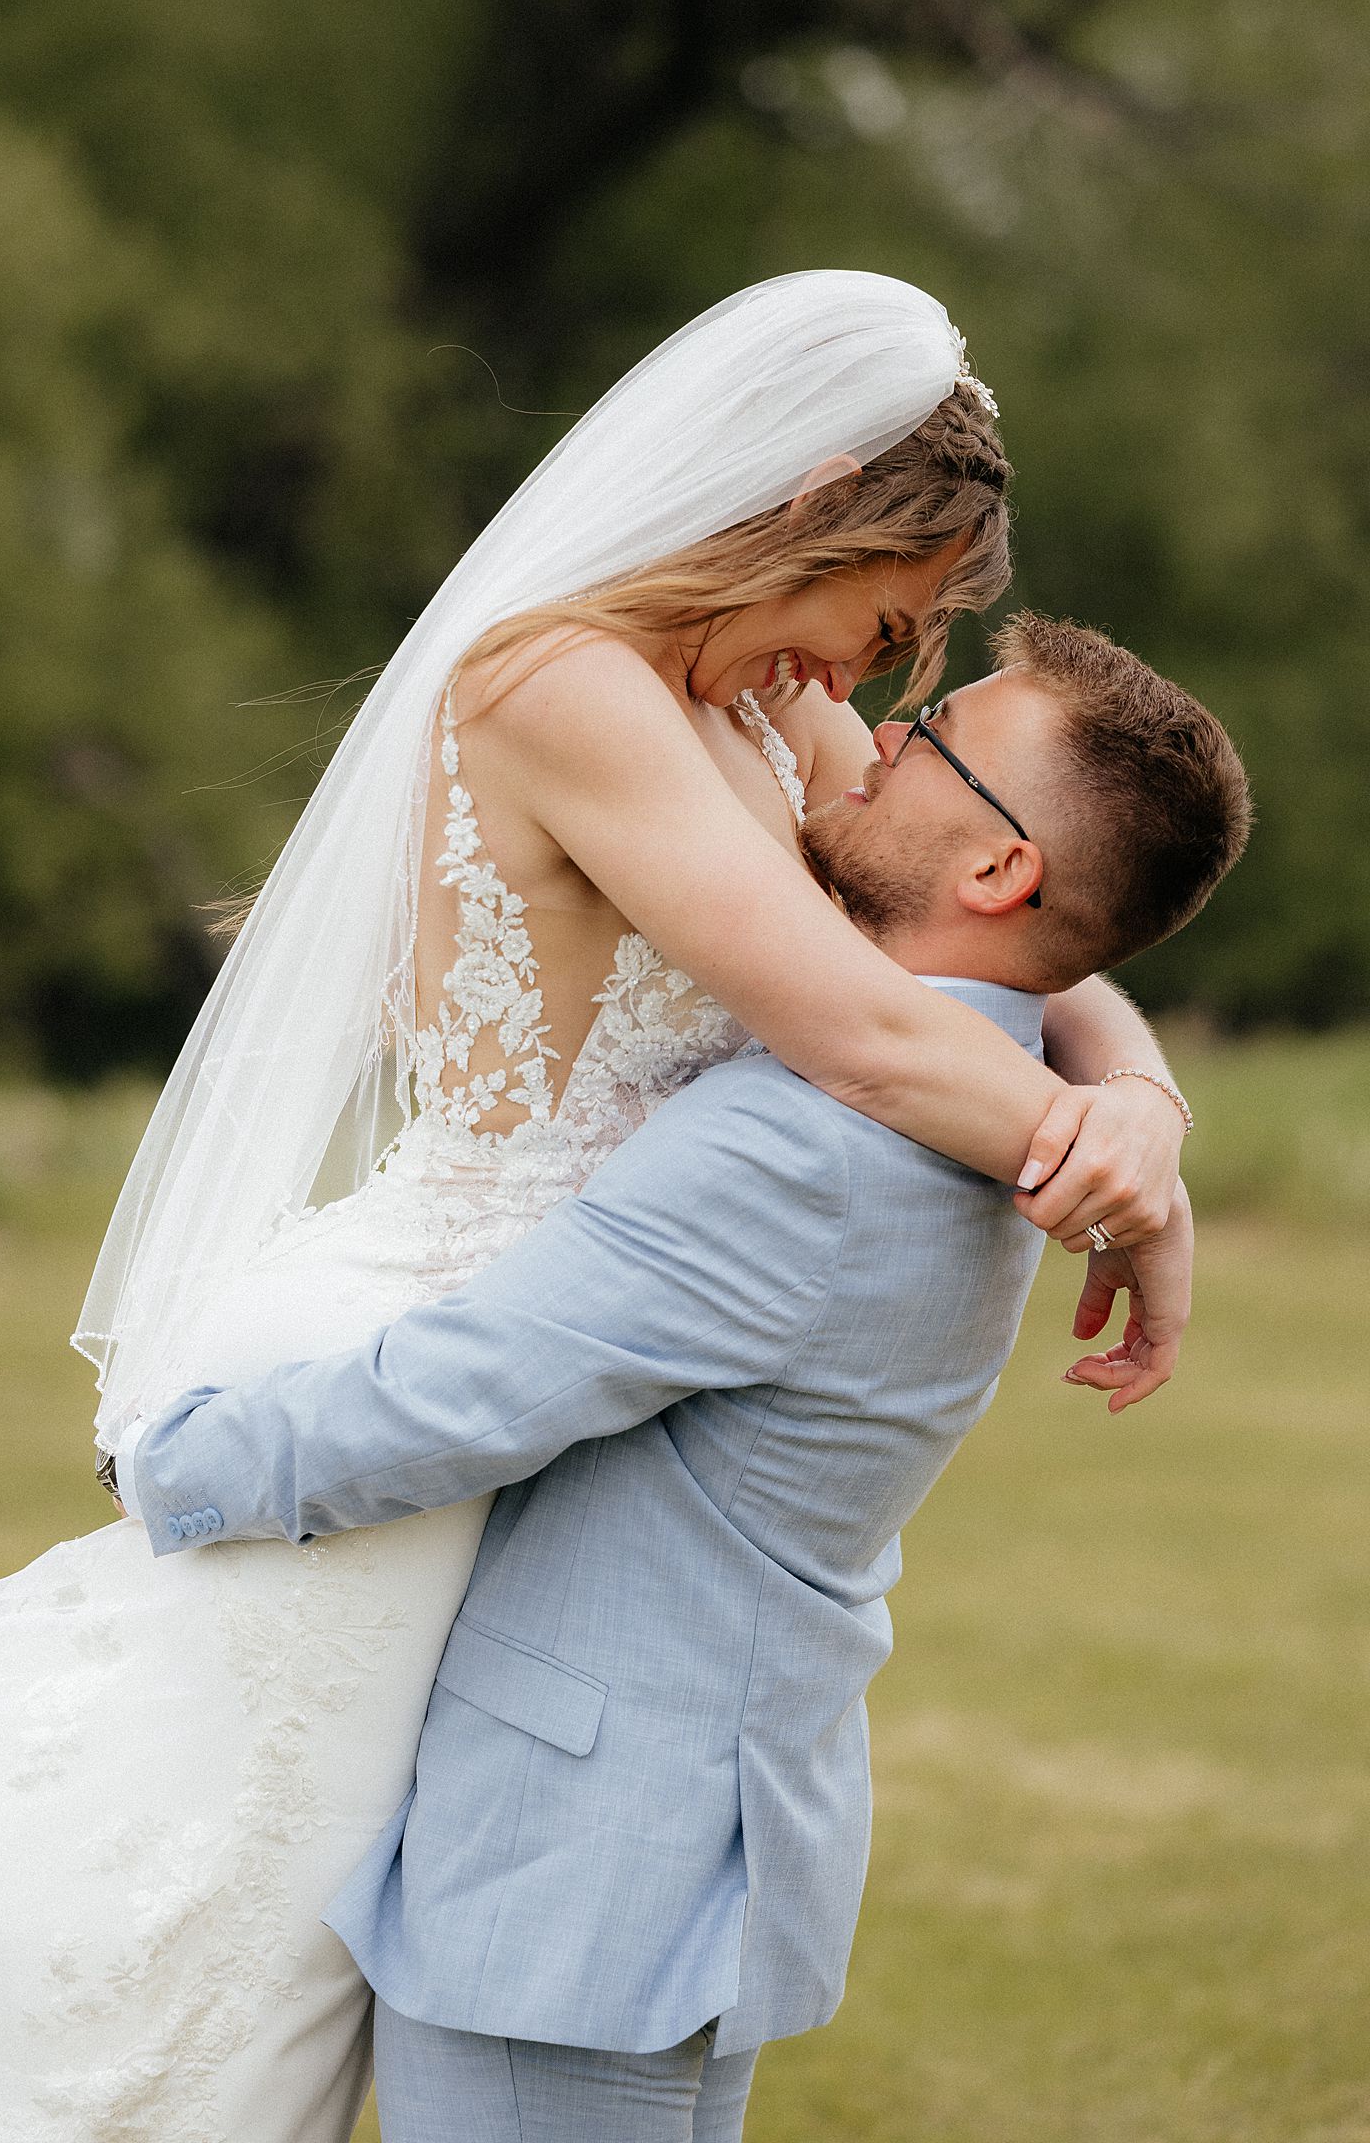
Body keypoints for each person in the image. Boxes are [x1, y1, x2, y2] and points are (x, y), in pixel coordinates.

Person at [0, 277, 1190, 2140]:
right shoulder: (561, 684)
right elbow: (854, 1021)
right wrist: (1091, 1183)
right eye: (893, 612)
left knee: (292, 1909)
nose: (873, 675)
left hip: (582, 1336)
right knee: (150, 1857)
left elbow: (1028, 919)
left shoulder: (782, 727)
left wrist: (1144, 1112)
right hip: (449, 1317)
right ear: (821, 501)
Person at [115, 614, 1252, 2143]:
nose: (878, 735)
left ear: (997, 873)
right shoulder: (1010, 1095)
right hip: (686, 1826)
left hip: (584, 1868)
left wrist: (166, 1465)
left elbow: (462, 1396)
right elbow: (1069, 997)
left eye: (936, 742)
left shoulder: (812, 1149)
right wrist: (1144, 1099)